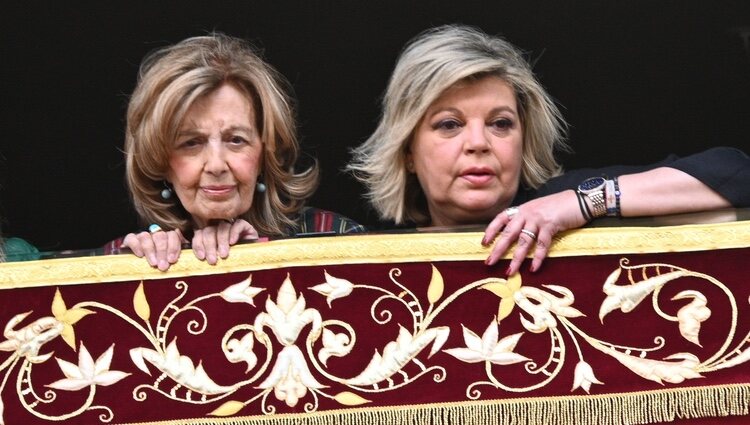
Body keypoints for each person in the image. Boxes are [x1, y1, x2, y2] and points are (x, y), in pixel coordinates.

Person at [348, 24, 750, 276]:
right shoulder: (368, 256)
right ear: (408, 154)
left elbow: (735, 175)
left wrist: (584, 204)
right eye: (449, 125)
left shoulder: (566, 205)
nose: (477, 144)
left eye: (500, 123)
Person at [109, 33, 364, 270]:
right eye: (191, 143)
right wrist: (140, 274)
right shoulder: (121, 259)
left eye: (236, 140)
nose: (216, 165)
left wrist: (257, 262)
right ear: (159, 160)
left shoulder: (339, 241)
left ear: (266, 152)